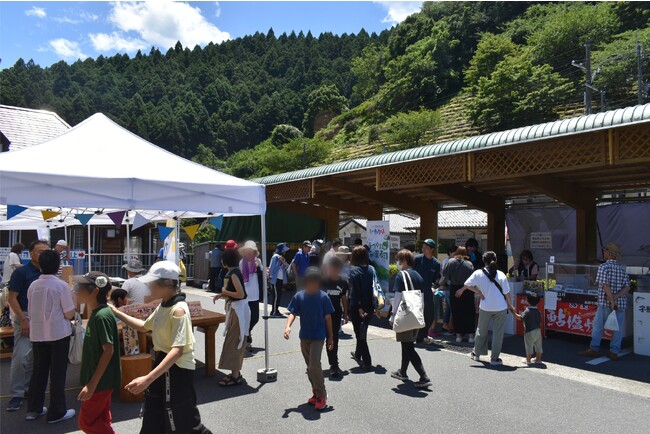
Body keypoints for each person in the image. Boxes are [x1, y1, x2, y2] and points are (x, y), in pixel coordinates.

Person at [110, 262, 211, 434]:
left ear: (167, 284)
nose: (148, 285)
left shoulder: (179, 310)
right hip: (163, 366)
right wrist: (117, 312)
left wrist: (147, 379)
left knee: (182, 422)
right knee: (154, 416)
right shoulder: (164, 304)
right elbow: (144, 326)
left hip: (176, 371)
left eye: (151, 282)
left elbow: (177, 351)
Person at [26, 249, 76, 423]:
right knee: (57, 373)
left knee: (38, 371)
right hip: (58, 334)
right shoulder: (61, 285)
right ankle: (56, 412)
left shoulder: (33, 285)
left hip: (38, 334)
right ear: (58, 266)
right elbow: (69, 313)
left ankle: (34, 408)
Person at [73, 271, 121, 434]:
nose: (76, 290)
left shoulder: (101, 316)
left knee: (86, 422)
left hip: (100, 381)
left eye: (80, 287)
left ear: (94, 291)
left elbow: (108, 350)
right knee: (101, 418)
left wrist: (92, 384)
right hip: (100, 379)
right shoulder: (98, 313)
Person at [6, 240, 48, 412]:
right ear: (30, 253)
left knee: (35, 357)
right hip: (26, 315)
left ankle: (28, 389)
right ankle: (16, 393)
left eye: (47, 252)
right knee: (21, 356)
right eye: (40, 251)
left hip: (44, 318)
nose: (44, 255)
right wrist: (23, 319)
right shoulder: (21, 272)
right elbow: (12, 298)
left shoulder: (48, 272)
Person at [284, 267, 334, 411]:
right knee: (310, 367)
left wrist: (330, 336)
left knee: (314, 365)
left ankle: (322, 395)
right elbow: (292, 312)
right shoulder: (299, 296)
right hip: (304, 336)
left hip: (318, 336)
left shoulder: (324, 297)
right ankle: (315, 392)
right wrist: (288, 326)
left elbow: (328, 317)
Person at [579, 242, 631, 361]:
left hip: (605, 303)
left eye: (605, 251)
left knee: (598, 326)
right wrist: (616, 296)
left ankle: (594, 349)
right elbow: (627, 287)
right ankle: (614, 351)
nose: (604, 253)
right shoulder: (622, 269)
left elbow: (604, 285)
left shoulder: (604, 267)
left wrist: (612, 300)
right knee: (617, 329)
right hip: (620, 304)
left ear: (608, 254)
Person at [462, 251, 515, 366]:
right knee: (498, 333)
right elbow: (507, 293)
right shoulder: (501, 274)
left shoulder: (478, 273)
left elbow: (466, 285)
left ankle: (476, 353)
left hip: (485, 306)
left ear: (483, 260)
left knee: (481, 330)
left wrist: (479, 292)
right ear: (495, 260)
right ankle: (494, 358)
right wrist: (510, 305)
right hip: (500, 307)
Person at [389, 249, 432, 389]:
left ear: (405, 261)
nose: (398, 263)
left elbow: (398, 297)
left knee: (408, 346)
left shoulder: (401, 275)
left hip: (405, 314)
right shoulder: (418, 276)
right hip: (416, 313)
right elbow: (422, 297)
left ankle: (424, 376)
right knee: (406, 343)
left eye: (399, 260)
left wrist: (393, 315)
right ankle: (403, 371)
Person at [213, 248, 249, 386]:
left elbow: (240, 294)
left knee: (234, 341)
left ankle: (235, 375)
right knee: (234, 340)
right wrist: (223, 294)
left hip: (238, 310)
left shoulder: (233, 273)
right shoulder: (235, 271)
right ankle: (235, 373)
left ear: (225, 261)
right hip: (238, 309)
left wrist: (224, 291)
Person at [348, 246, 375, 371]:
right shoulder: (371, 269)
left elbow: (354, 291)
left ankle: (367, 361)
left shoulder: (353, 271)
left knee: (360, 334)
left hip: (358, 307)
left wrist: (358, 307)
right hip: (370, 306)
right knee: (362, 331)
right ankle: (358, 354)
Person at [321, 256, 349, 378]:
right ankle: (313, 363)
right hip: (321, 315)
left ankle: (334, 365)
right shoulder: (322, 281)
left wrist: (346, 313)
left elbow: (344, 298)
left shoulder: (343, 282)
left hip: (336, 314)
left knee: (333, 339)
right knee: (317, 339)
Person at [443, 247, 475, 343]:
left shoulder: (451, 262)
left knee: (456, 312)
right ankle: (471, 336)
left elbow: (444, 273)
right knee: (469, 312)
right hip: (467, 289)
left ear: (456, 252)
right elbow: (473, 278)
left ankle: (458, 336)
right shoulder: (469, 264)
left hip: (454, 288)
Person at [414, 238, 441, 344]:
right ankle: (417, 336)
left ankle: (422, 335)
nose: (423, 249)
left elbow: (436, 279)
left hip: (428, 291)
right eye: (423, 247)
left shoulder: (436, 263)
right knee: (415, 314)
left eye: (426, 247)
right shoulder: (417, 259)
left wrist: (435, 286)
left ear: (432, 249)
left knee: (429, 315)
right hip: (415, 291)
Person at [239, 240, 263, 352]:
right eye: (247, 252)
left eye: (251, 252)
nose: (249, 254)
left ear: (254, 253)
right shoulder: (241, 263)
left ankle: (247, 333)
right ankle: (246, 340)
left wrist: (258, 268)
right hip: (244, 295)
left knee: (255, 318)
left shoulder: (257, 261)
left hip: (255, 294)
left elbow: (263, 274)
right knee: (245, 318)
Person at [513, 292, 543, 365]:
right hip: (538, 330)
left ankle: (528, 360)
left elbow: (520, 318)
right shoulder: (538, 311)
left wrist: (513, 312)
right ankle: (538, 359)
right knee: (538, 345)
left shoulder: (527, 311)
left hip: (529, 331)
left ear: (527, 301)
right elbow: (540, 321)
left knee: (529, 345)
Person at [268, 243, 290, 317]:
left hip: (280, 279)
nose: (285, 252)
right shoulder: (275, 257)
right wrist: (270, 277)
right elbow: (272, 267)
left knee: (279, 295)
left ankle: (276, 309)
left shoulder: (282, 258)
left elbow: (287, 267)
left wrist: (283, 262)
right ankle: (274, 311)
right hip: (275, 279)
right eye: (284, 250)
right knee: (276, 295)